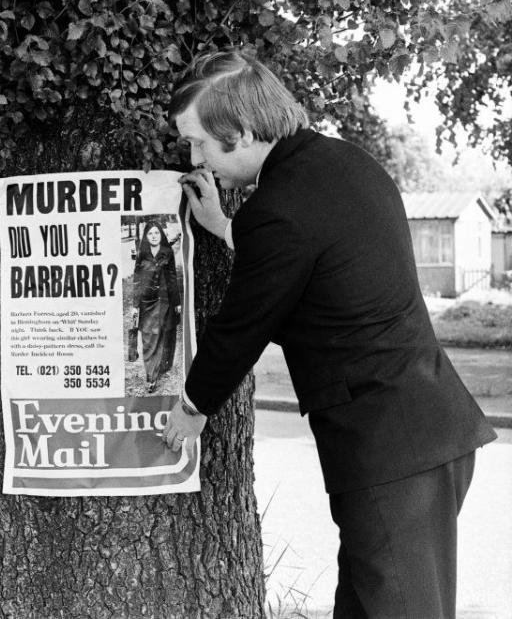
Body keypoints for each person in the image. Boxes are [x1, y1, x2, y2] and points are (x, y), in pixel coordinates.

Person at [161, 49, 496, 619]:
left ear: (240, 131)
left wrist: (192, 405)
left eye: (198, 143)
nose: (194, 157)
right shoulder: (343, 163)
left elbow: (242, 324)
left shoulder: (279, 207)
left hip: (392, 454)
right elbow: (308, 259)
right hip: (421, 436)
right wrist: (223, 226)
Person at [131, 220, 181, 393]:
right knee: (147, 339)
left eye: (156, 233)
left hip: (164, 301)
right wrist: (135, 305)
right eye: (150, 233)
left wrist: (177, 302)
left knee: (161, 336)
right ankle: (151, 374)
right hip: (146, 303)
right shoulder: (142, 254)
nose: (153, 236)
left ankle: (154, 375)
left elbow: (173, 277)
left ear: (161, 235)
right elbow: (137, 281)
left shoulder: (167, 253)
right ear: (146, 236)